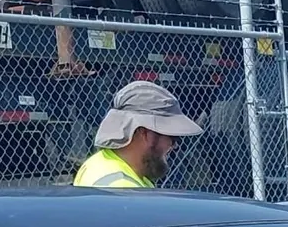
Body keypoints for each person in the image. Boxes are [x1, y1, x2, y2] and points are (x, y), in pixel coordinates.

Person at [73, 80, 203, 190]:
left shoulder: (100, 162)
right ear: (145, 133)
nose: (174, 146)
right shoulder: (123, 189)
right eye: (172, 138)